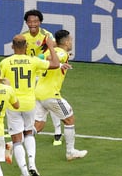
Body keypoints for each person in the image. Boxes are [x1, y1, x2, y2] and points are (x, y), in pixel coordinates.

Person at [0, 34, 59, 176]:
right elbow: (56, 64)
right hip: (29, 103)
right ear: (26, 47)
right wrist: (51, 46)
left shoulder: (5, 63)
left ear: (12, 47)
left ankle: (25, 172)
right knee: (29, 133)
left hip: (13, 104)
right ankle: (32, 163)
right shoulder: (34, 61)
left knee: (17, 139)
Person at [34, 30, 88, 161]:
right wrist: (54, 54)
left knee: (38, 126)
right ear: (66, 41)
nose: (71, 43)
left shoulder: (49, 52)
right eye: (71, 40)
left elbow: (41, 58)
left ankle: (13, 144)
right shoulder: (60, 52)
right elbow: (53, 58)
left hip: (38, 93)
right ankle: (70, 152)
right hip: (51, 95)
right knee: (69, 119)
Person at [22, 9, 62, 145]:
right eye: (30, 21)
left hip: (45, 73)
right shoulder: (23, 37)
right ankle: (26, 128)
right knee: (32, 102)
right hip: (31, 74)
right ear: (26, 22)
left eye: (35, 21)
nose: (32, 24)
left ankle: (57, 132)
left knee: (51, 101)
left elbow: (56, 48)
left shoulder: (47, 35)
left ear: (40, 22)